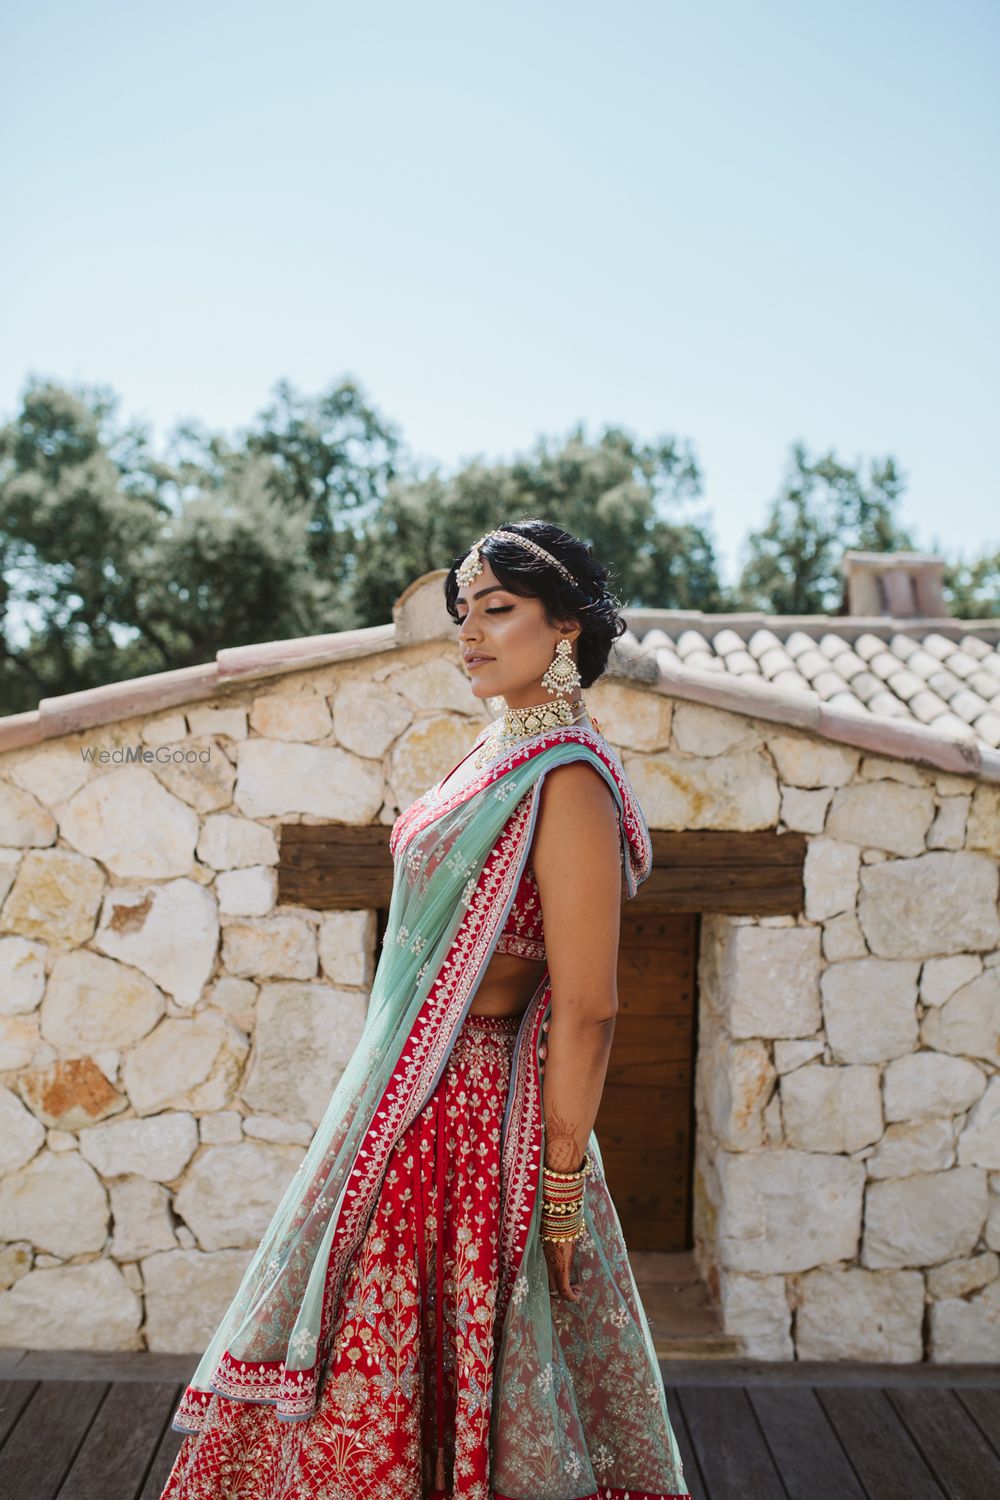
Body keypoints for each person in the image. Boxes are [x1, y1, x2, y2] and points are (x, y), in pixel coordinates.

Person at [159, 520, 691, 1500]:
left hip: (477, 1124)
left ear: (565, 628)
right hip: (413, 1107)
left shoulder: (566, 779)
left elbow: (588, 1007)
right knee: (367, 1377)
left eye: (497, 609)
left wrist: (561, 1192)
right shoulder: (492, 752)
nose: (470, 632)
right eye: (462, 613)